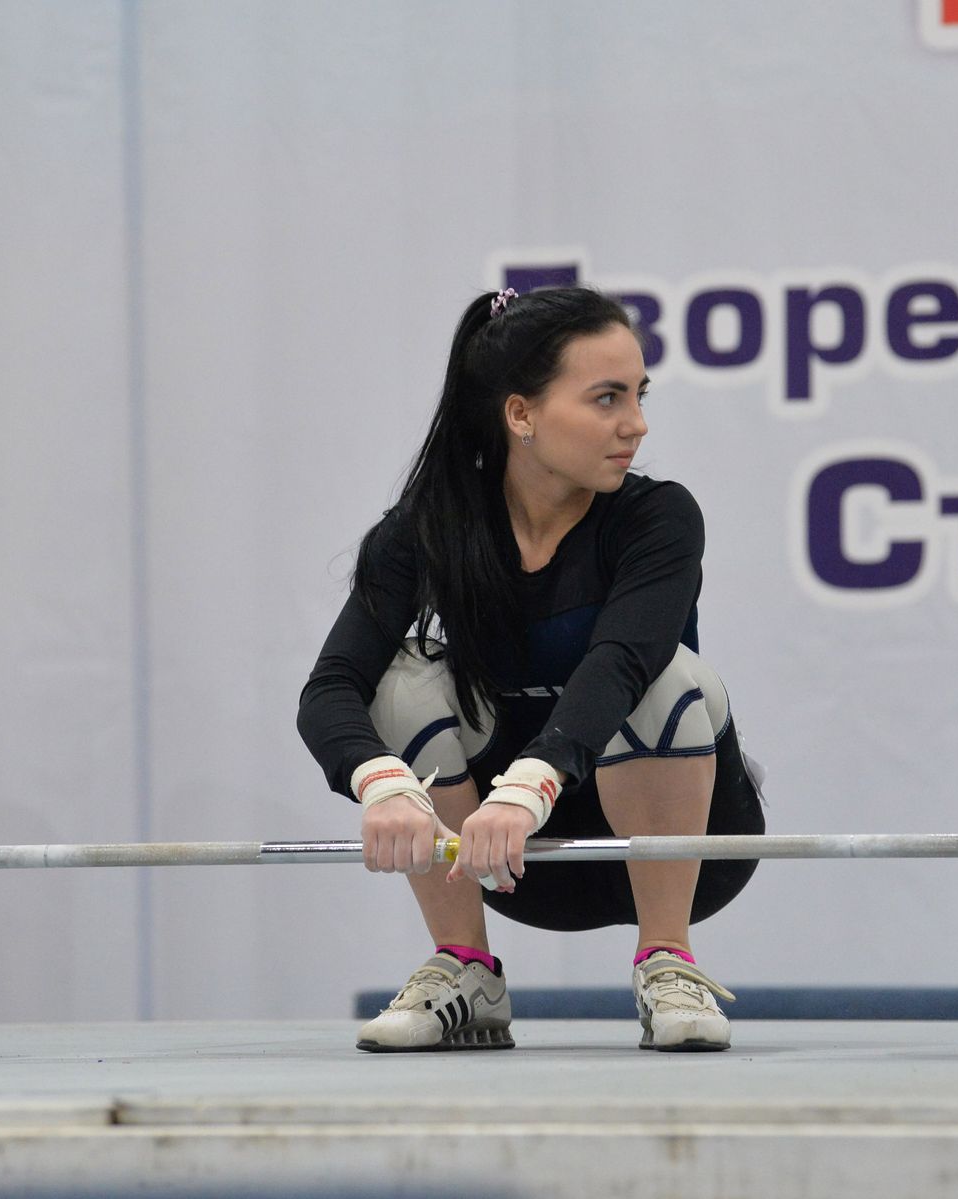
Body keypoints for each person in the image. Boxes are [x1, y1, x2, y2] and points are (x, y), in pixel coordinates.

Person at [297, 285, 764, 1053]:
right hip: (509, 862)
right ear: (521, 414)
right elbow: (331, 688)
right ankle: (467, 967)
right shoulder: (425, 531)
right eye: (607, 398)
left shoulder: (658, 517)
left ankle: (668, 959)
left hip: (685, 848)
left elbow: (620, 663)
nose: (636, 423)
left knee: (668, 675)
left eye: (639, 394)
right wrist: (381, 781)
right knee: (404, 676)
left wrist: (528, 787)